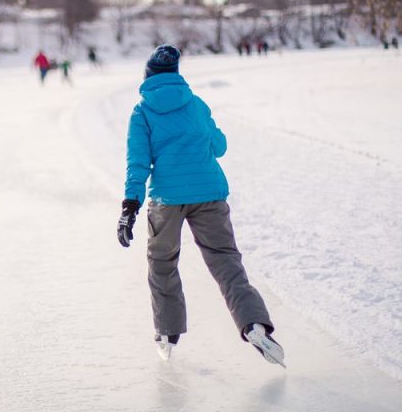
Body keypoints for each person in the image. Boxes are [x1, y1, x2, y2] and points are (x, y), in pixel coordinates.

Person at [116, 44, 285, 367]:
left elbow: (137, 163)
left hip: (167, 200)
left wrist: (130, 207)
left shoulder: (142, 113)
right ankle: (254, 324)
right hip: (209, 193)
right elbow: (219, 147)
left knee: (162, 262)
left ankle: (167, 332)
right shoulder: (196, 104)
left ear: (148, 76)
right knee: (226, 262)